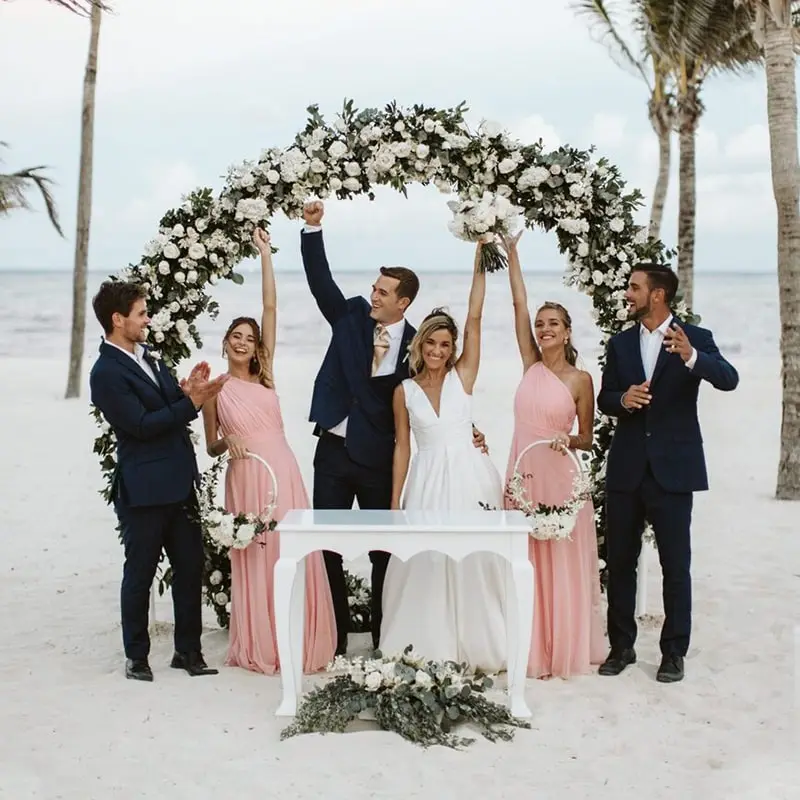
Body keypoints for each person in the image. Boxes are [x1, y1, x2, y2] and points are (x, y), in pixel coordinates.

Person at [300, 200, 487, 654]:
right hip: (332, 450)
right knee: (328, 546)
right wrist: (312, 229)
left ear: (404, 301)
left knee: (385, 549)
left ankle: (386, 634)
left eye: (383, 291)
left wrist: (466, 425)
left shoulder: (418, 344)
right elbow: (319, 281)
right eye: (375, 288)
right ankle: (338, 637)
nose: (374, 295)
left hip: (379, 455)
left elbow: (435, 387)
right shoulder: (348, 316)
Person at [201, 228, 336, 674]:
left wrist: (264, 255)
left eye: (248, 337)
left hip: (283, 471)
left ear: (257, 346)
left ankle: (299, 636)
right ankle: (262, 638)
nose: (242, 342)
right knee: (256, 554)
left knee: (290, 549)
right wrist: (227, 443)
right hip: (245, 477)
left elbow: (271, 307)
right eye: (234, 336)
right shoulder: (215, 389)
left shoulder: (267, 376)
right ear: (225, 343)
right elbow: (211, 444)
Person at [597, 262, 738, 683]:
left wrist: (692, 357)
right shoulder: (620, 344)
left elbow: (729, 379)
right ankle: (620, 647)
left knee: (676, 564)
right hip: (626, 468)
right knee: (621, 562)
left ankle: (673, 653)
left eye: (634, 287)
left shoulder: (694, 338)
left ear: (657, 294)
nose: (627, 293)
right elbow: (604, 397)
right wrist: (624, 398)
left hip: (673, 469)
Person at [89, 280, 227, 681]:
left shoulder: (150, 356)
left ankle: (188, 652)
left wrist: (192, 390)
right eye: (141, 313)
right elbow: (141, 426)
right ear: (118, 320)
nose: (148, 318)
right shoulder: (105, 372)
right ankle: (137, 657)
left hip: (180, 482)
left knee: (190, 566)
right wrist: (191, 404)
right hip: (144, 489)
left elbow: (170, 403)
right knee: (140, 572)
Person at [380, 243, 508, 670]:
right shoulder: (405, 391)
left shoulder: (462, 376)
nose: (437, 350)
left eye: (445, 344)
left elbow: (474, 317)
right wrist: (396, 502)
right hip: (428, 479)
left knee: (475, 561)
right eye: (431, 342)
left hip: (471, 476)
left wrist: (480, 257)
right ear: (421, 344)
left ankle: (478, 646)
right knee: (426, 561)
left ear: (453, 348)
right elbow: (403, 447)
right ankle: (428, 646)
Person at [501, 232, 606, 679]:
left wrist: (569, 441)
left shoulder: (581, 379)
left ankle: (561, 644)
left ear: (567, 332)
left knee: (560, 560)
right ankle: (528, 643)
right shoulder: (531, 363)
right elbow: (518, 307)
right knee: (523, 557)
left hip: (561, 474)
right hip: (523, 471)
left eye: (553, 325)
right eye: (541, 324)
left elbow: (588, 436)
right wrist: (512, 254)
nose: (544, 329)